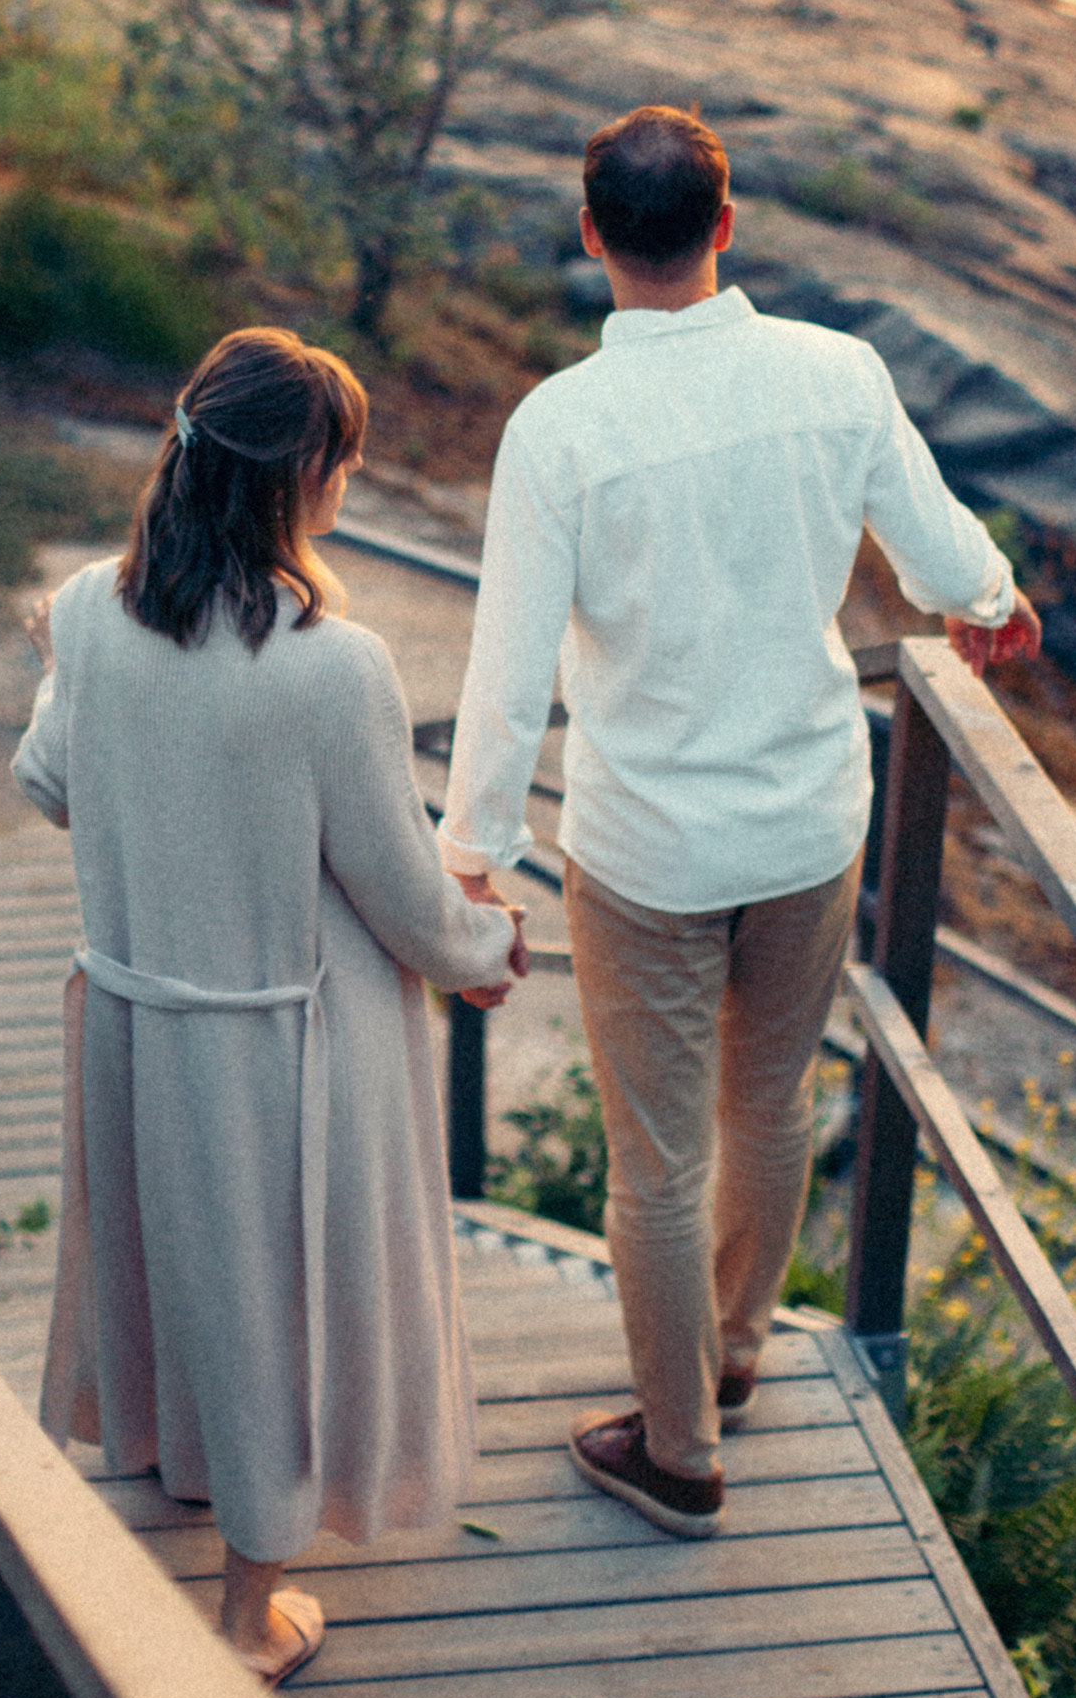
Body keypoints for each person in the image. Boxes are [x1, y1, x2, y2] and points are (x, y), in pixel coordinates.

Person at [440, 106, 1039, 1539]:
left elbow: (507, 676)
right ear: (726, 223)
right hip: (808, 824)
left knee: (655, 1158)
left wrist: (471, 861)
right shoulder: (837, 374)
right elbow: (940, 552)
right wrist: (992, 602)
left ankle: (679, 1450)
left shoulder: (559, 429)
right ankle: (733, 1352)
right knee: (766, 1105)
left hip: (645, 848)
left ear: (592, 237)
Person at [13, 326, 521, 1684]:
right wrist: (485, 945)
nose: (347, 483)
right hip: (273, 1047)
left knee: (173, 1258)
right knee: (273, 1304)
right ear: (301, 478)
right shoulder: (330, 666)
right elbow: (402, 892)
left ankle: (175, 1455)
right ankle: (246, 1620)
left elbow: (47, 782)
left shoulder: (89, 608)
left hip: (136, 1021)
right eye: (340, 461)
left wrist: (66, 666)